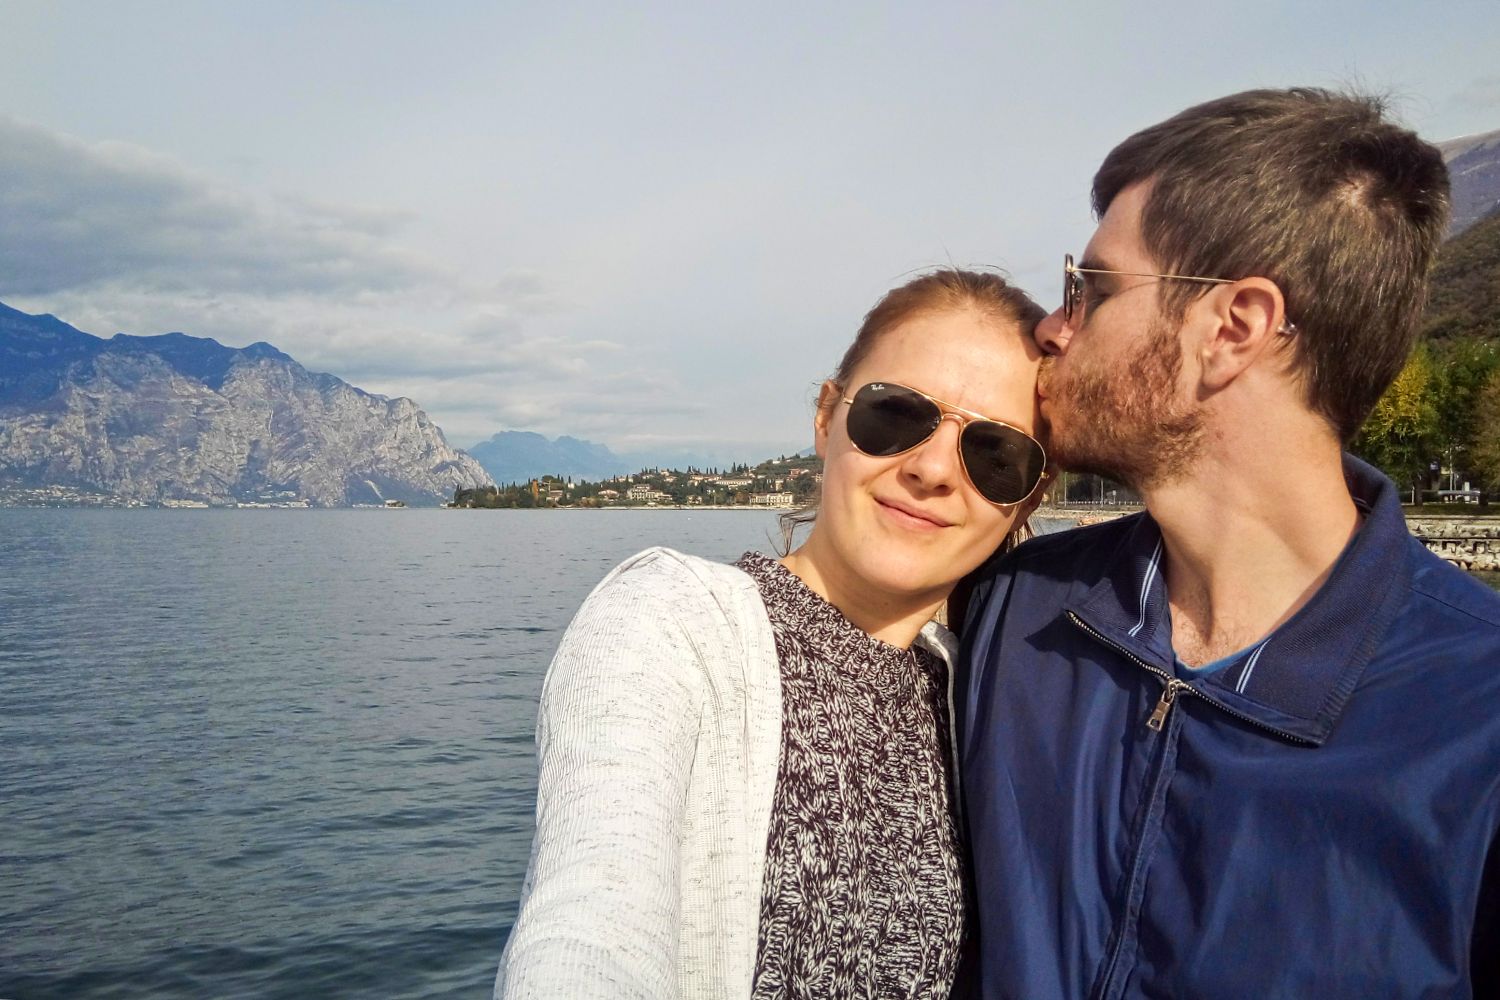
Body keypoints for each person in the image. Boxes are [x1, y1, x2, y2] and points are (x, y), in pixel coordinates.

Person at [958, 88, 1500, 998]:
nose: (1052, 329)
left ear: (1232, 329)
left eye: (1090, 289)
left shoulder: (1478, 720)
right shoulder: (1016, 612)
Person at [496, 269, 1049, 999]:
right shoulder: (670, 623)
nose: (934, 469)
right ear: (826, 417)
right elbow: (590, 919)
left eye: (994, 454)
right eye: (896, 415)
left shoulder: (1011, 692)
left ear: (1028, 497)